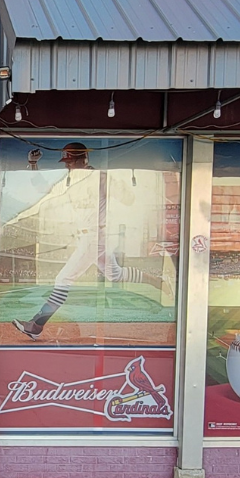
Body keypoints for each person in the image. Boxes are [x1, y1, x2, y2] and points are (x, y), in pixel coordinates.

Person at [13, 143, 173, 341]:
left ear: (83, 160)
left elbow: (128, 198)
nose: (67, 166)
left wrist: (113, 187)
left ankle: (36, 325)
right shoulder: (69, 181)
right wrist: (33, 165)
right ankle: (156, 281)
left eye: (70, 161)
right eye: (66, 162)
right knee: (114, 274)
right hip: (89, 237)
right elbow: (44, 191)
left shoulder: (101, 178)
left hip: (95, 236)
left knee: (63, 279)